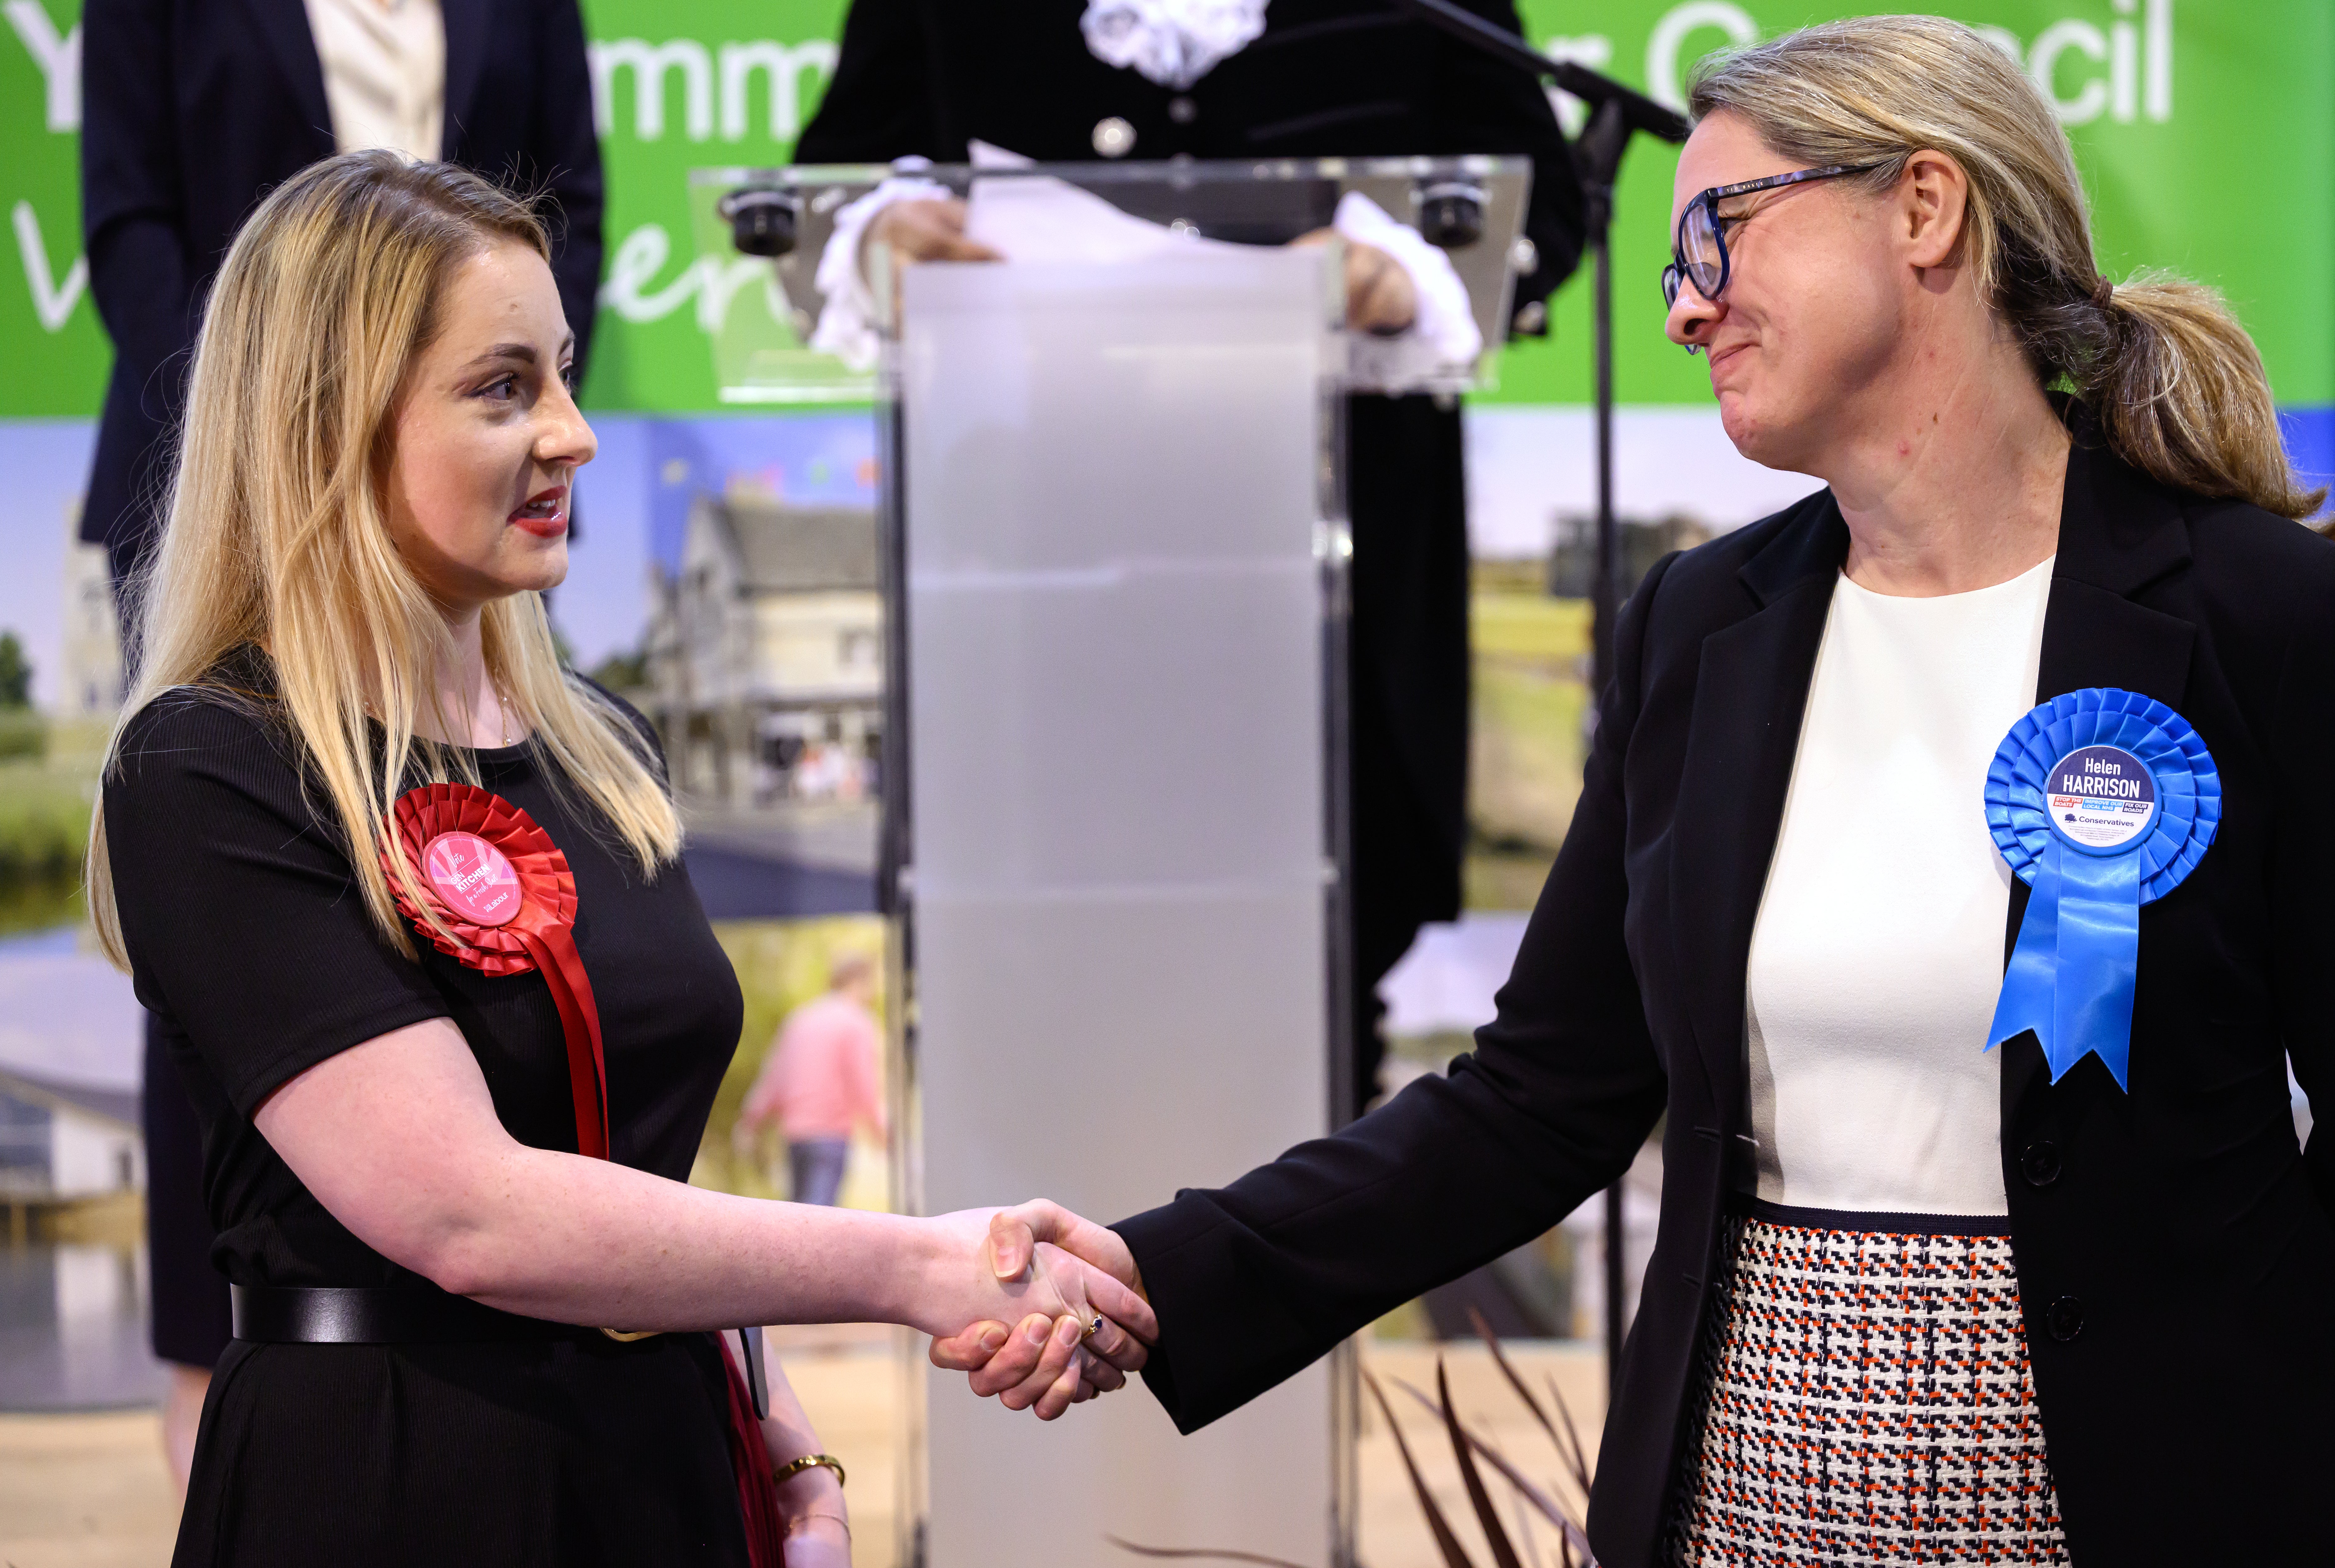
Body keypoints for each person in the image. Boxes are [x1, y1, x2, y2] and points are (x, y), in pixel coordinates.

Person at [933, 16, 2335, 1566]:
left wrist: (2258, 1394)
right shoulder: (1700, 628)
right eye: (1675, 261)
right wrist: (1151, 1273)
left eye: (1716, 235)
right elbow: (1534, 1102)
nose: (1682, 309)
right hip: (1739, 1488)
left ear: (1923, 210)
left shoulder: (2255, 621)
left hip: (2150, 1496)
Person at [87, 152, 1150, 1566]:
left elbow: (646, 1160)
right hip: (394, 1488)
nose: (574, 435)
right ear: (327, 421)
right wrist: (918, 1268)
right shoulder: (209, 767)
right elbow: (465, 1211)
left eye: (563, 376)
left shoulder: (606, 749)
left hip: (662, 1467)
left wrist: (780, 1436)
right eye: (504, 387)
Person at [791, 0, 1588, 1106]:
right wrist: (879, 241)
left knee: (1321, 1015)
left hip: (1336, 588)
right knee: (1039, 1024)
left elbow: (1539, 201)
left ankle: (1309, 1270)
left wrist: (1399, 272)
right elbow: (834, 180)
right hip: (1037, 571)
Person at [79, 0, 606, 1487]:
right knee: (239, 953)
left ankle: (570, 1321)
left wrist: (506, 408)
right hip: (251, 460)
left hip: (458, 473)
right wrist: (294, 424)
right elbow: (128, 220)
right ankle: (235, 1379)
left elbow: (581, 202)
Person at [735, 953, 888, 1207]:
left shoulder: (800, 1019)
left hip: (796, 1137)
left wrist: (751, 1120)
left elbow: (774, 1079)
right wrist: (879, 1130)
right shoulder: (856, 1022)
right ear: (859, 982)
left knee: (799, 1214)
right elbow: (863, 1084)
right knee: (819, 1220)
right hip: (829, 1135)